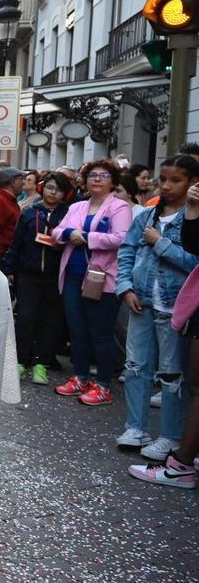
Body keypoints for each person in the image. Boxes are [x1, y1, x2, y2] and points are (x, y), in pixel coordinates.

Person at [114, 155, 199, 459]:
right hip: (141, 302)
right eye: (163, 179)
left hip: (175, 308)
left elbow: (195, 264)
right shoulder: (147, 216)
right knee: (136, 367)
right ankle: (136, 427)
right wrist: (124, 288)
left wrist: (161, 243)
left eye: (175, 180)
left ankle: (171, 436)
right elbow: (125, 253)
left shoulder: (191, 220)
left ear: (192, 183)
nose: (166, 186)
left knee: (172, 374)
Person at [52, 159, 132, 405]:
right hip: (74, 276)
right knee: (77, 331)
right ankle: (80, 377)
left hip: (102, 279)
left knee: (101, 333)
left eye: (104, 175)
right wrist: (68, 233)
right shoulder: (76, 207)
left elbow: (120, 238)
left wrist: (85, 236)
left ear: (113, 182)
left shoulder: (119, 207)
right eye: (92, 175)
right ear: (85, 181)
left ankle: (104, 385)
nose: (97, 179)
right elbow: (57, 231)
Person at [2, 171, 70, 384]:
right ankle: (21, 361)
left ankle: (42, 363)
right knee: (25, 318)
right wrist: (10, 269)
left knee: (49, 321)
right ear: (43, 188)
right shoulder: (30, 213)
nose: (53, 193)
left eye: (58, 189)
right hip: (28, 275)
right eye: (50, 187)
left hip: (55, 276)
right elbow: (16, 243)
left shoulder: (69, 215)